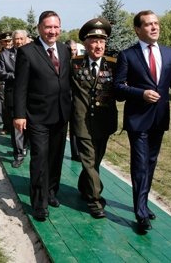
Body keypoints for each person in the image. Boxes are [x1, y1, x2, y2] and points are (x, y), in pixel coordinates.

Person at [114, 10, 171, 234]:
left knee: (151, 163)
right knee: (140, 164)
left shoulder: (169, 53)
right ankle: (141, 214)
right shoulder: (128, 55)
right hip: (137, 120)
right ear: (138, 29)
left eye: (156, 23)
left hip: (159, 119)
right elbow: (118, 88)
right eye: (148, 24)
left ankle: (143, 203)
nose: (154, 27)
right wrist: (140, 93)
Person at [14, 11, 72, 221]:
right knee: (40, 158)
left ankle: (51, 192)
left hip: (60, 114)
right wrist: (19, 114)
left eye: (56, 27)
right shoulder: (27, 52)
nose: (52, 31)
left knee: (55, 158)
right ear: (39, 28)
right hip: (36, 115)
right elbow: (20, 86)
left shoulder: (65, 50)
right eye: (48, 27)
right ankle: (39, 203)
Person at [70, 18, 118, 219]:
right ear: (86, 43)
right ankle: (95, 200)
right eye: (94, 41)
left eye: (102, 41)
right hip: (82, 122)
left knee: (96, 160)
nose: (98, 46)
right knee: (88, 161)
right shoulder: (74, 64)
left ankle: (85, 187)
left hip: (104, 122)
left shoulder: (114, 65)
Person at [0, 29, 28, 168]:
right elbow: (0, 72)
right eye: (16, 39)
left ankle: (26, 147)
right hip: (13, 93)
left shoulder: (34, 53)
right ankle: (18, 154)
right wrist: (16, 76)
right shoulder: (4, 55)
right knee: (17, 126)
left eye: (21, 38)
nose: (19, 41)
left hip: (32, 95)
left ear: (26, 39)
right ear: (13, 40)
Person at [65, 39, 81, 162]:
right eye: (71, 49)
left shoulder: (80, 62)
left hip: (76, 99)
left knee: (75, 127)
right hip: (63, 98)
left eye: (75, 49)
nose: (73, 51)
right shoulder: (62, 61)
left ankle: (76, 153)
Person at [0, 32, 13, 134]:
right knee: (4, 105)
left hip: (11, 82)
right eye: (5, 41)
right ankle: (6, 126)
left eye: (9, 41)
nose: (7, 43)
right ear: (1, 43)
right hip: (2, 82)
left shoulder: (15, 52)